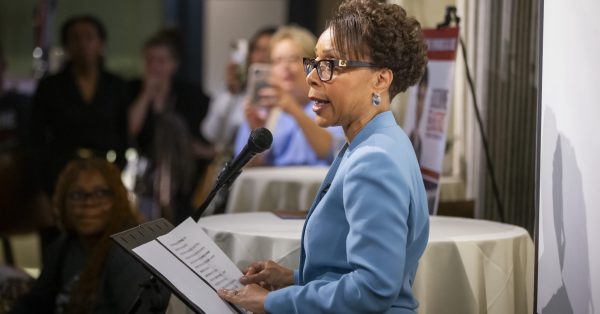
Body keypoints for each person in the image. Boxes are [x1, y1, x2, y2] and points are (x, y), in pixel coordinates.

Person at [218, 0, 430, 313]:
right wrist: (294, 277)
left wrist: (273, 302)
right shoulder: (376, 141)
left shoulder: (375, 157)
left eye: (331, 63)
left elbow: (373, 288)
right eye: (314, 62)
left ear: (381, 80)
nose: (312, 77)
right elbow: (349, 270)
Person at [10, 158, 169, 313]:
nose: (88, 203)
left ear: (118, 200)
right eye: (77, 195)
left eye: (101, 193)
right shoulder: (65, 245)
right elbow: (36, 301)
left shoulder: (127, 252)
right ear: (62, 202)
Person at [30, 15, 129, 197]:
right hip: (62, 173)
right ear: (67, 46)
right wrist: (41, 189)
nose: (83, 44)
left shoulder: (116, 85)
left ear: (101, 43)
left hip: (107, 171)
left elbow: (124, 133)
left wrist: (118, 169)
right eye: (75, 38)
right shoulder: (51, 86)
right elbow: (36, 138)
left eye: (89, 37)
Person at [128, 29, 211, 223]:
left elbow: (205, 134)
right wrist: (146, 94)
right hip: (146, 180)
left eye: (162, 61)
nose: (155, 66)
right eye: (150, 60)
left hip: (185, 178)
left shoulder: (190, 94)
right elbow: (131, 129)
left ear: (174, 64)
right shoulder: (132, 89)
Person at [234, 25, 344, 166]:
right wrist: (256, 134)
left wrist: (293, 109)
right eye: (277, 61)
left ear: (311, 63)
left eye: (292, 59)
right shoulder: (262, 111)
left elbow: (333, 152)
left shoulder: (328, 103)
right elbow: (244, 168)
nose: (284, 67)